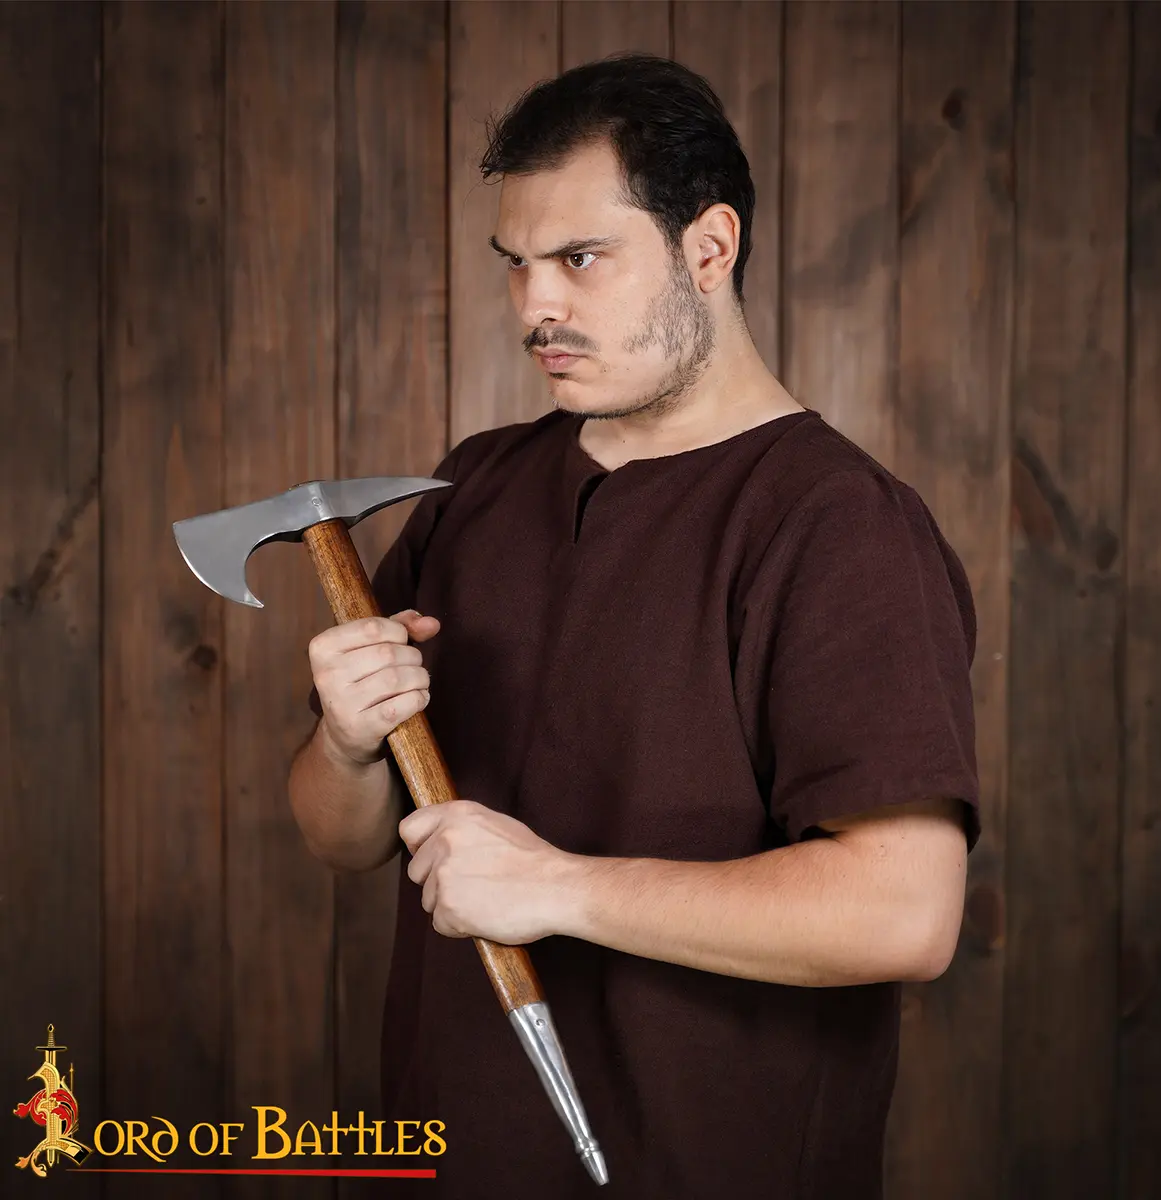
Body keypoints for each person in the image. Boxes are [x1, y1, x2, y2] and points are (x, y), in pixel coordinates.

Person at [288, 52, 979, 1200]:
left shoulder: (838, 527)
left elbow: (904, 912)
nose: (535, 307)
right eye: (516, 265)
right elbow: (340, 840)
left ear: (708, 249)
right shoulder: (478, 488)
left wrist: (560, 886)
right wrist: (346, 742)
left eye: (579, 259)